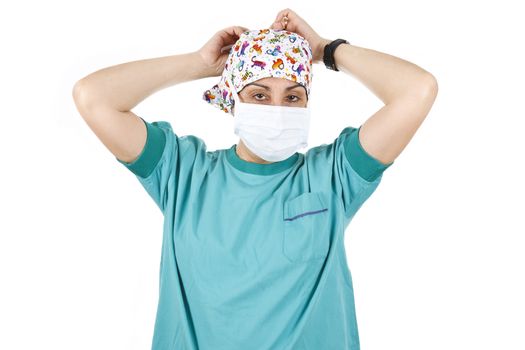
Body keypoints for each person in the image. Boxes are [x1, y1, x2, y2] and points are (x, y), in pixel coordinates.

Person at [72, 8, 438, 350]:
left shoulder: (332, 176)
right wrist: (200, 64)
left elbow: (417, 90)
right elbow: (93, 97)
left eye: (293, 97)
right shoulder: (182, 173)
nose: (277, 111)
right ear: (234, 101)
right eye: (259, 94)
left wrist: (326, 50)